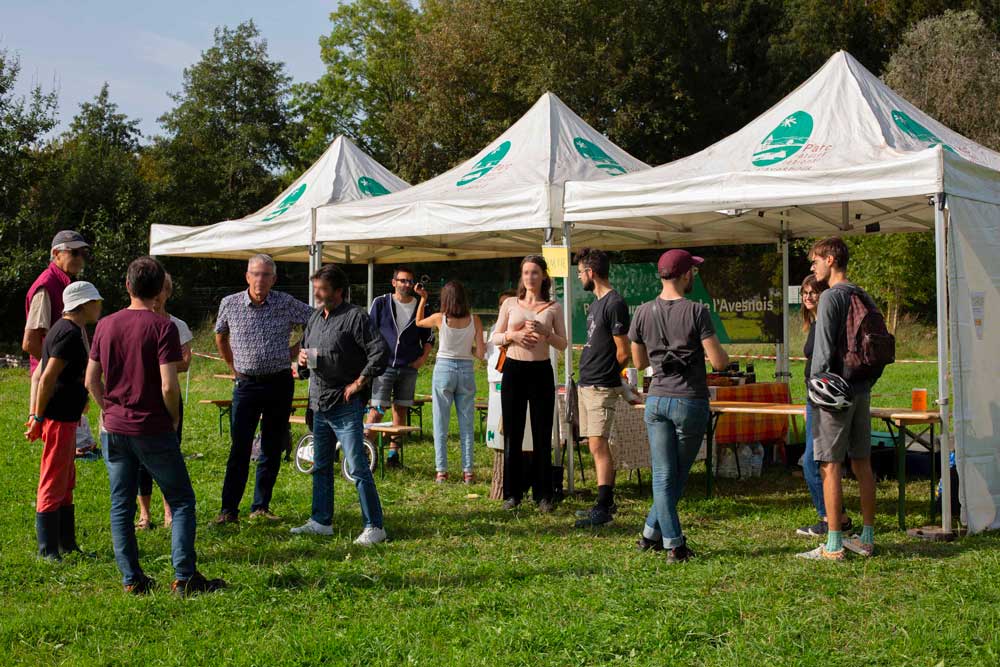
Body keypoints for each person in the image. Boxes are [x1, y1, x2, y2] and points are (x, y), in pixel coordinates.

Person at [86, 256, 224, 595]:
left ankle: (132, 580)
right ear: (160, 289)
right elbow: (168, 384)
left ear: (128, 286)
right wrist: (173, 416)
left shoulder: (105, 325)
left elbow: (91, 378)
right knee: (181, 500)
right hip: (151, 427)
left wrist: (106, 407)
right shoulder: (163, 326)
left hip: (114, 429)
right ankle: (184, 576)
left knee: (121, 504)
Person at [629, 249, 728, 562]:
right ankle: (675, 545)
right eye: (693, 272)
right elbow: (719, 362)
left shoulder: (642, 311)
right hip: (689, 400)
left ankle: (649, 535)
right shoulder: (697, 311)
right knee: (675, 477)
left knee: (663, 475)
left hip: (656, 399)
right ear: (686, 274)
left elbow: (639, 361)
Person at [291, 264, 389, 546]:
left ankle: (375, 526)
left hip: (345, 404)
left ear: (338, 291)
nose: (317, 294)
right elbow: (308, 353)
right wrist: (302, 363)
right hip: (319, 403)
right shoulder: (314, 319)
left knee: (357, 466)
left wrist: (360, 382)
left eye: (322, 289)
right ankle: (321, 521)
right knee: (320, 465)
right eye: (316, 289)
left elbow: (379, 352)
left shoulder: (356, 317)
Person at [213, 254, 313, 525]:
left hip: (279, 382)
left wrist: (295, 349)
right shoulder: (230, 303)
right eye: (255, 274)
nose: (260, 279)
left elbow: (315, 318)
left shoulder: (284, 302)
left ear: (274, 279)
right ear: (247, 277)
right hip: (245, 384)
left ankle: (260, 506)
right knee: (240, 448)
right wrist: (231, 364)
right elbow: (220, 335)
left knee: (272, 445)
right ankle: (228, 510)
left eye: (265, 275)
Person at [797, 238, 878, 560]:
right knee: (862, 463)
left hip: (834, 395)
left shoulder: (831, 296)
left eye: (815, 260)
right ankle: (867, 537)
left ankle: (833, 544)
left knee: (829, 465)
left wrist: (816, 391)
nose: (812, 267)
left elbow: (823, 351)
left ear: (830, 260)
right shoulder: (863, 294)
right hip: (861, 389)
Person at [24, 281, 103, 561]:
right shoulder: (67, 333)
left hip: (69, 418)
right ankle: (47, 550)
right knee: (53, 480)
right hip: (57, 418)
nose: (99, 306)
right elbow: (46, 378)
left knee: (66, 481)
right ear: (83, 304)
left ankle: (67, 544)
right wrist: (38, 416)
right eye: (96, 301)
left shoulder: (70, 329)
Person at [492, 255, 568, 513]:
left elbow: (563, 343)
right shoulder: (511, 304)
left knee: (542, 432)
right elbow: (495, 337)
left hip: (541, 371)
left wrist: (546, 333)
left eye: (535, 272)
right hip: (514, 369)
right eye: (526, 273)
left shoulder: (553, 307)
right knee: (513, 432)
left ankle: (543, 494)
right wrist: (513, 335)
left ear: (544, 276)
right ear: (521, 277)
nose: (530, 277)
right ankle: (512, 493)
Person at [573, 248, 631, 528]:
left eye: (580, 272)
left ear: (591, 273)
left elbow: (623, 352)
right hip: (587, 383)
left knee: (598, 443)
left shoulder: (615, 303)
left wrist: (610, 379)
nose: (579, 277)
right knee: (593, 443)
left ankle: (604, 505)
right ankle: (603, 503)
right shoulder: (596, 304)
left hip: (601, 385)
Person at [795, 275, 853, 538]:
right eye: (804, 293)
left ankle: (832, 518)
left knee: (812, 461)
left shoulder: (826, 325)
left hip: (823, 399)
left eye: (813, 292)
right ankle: (835, 516)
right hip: (813, 399)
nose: (808, 297)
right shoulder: (815, 323)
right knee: (815, 460)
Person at [136, 273, 193, 531]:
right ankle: (145, 515)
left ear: (168, 293)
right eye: (154, 292)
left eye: (162, 292)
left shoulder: (177, 325)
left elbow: (185, 361)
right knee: (140, 458)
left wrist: (155, 364)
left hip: (169, 395)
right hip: (143, 395)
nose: (158, 298)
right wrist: (165, 363)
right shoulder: (136, 322)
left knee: (170, 453)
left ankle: (169, 510)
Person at [24, 230, 90, 446]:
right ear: (56, 253)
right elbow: (31, 342)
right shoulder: (46, 286)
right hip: (54, 386)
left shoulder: (67, 284)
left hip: (66, 383)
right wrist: (60, 367)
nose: (80, 258)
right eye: (74, 252)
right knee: (56, 457)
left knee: (66, 456)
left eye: (83, 253)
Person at [415, 280, 484, 483]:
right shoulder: (476, 320)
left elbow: (418, 322)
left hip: (443, 368)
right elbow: (480, 353)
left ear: (445, 299)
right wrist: (467, 350)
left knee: (440, 422)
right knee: (467, 424)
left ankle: (441, 471)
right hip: (466, 370)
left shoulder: (439, 318)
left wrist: (423, 299)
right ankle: (468, 471)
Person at [367, 266, 434, 467]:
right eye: (402, 280)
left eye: (409, 281)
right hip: (384, 365)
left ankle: (393, 455)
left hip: (408, 366)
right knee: (377, 408)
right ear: (394, 282)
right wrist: (374, 358)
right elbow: (369, 331)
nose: (406, 284)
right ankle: (364, 449)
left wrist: (423, 359)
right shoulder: (381, 303)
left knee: (401, 409)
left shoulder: (422, 305)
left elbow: (429, 336)